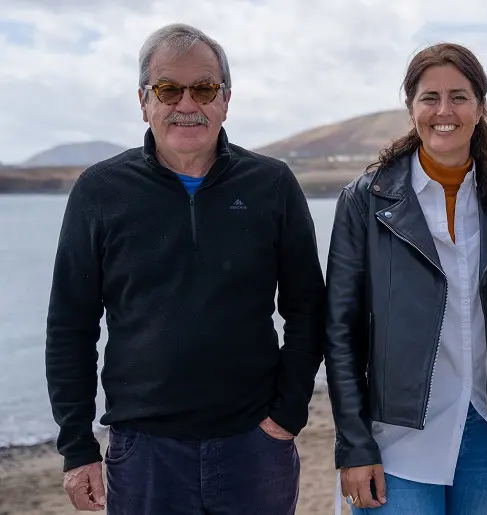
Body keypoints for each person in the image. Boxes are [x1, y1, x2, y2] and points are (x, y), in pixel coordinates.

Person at [45, 23, 325, 514]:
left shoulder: (272, 184)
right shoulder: (100, 191)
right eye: (168, 89)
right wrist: (76, 446)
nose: (186, 103)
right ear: (143, 100)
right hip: (143, 452)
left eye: (204, 87)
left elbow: (308, 309)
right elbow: (70, 326)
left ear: (226, 98)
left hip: (254, 447)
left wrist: (288, 413)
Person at [325, 43, 487, 514]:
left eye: (459, 97)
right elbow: (340, 331)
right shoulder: (365, 202)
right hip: (397, 438)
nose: (445, 111)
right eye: (430, 97)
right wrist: (355, 446)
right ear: (411, 106)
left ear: (481, 107)